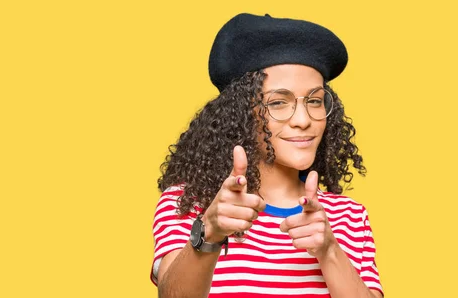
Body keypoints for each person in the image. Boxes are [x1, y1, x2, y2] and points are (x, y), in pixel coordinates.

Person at [150, 13, 383, 298]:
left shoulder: (348, 216)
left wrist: (329, 250)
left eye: (314, 100)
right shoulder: (190, 204)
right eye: (278, 102)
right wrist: (209, 232)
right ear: (240, 115)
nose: (303, 119)